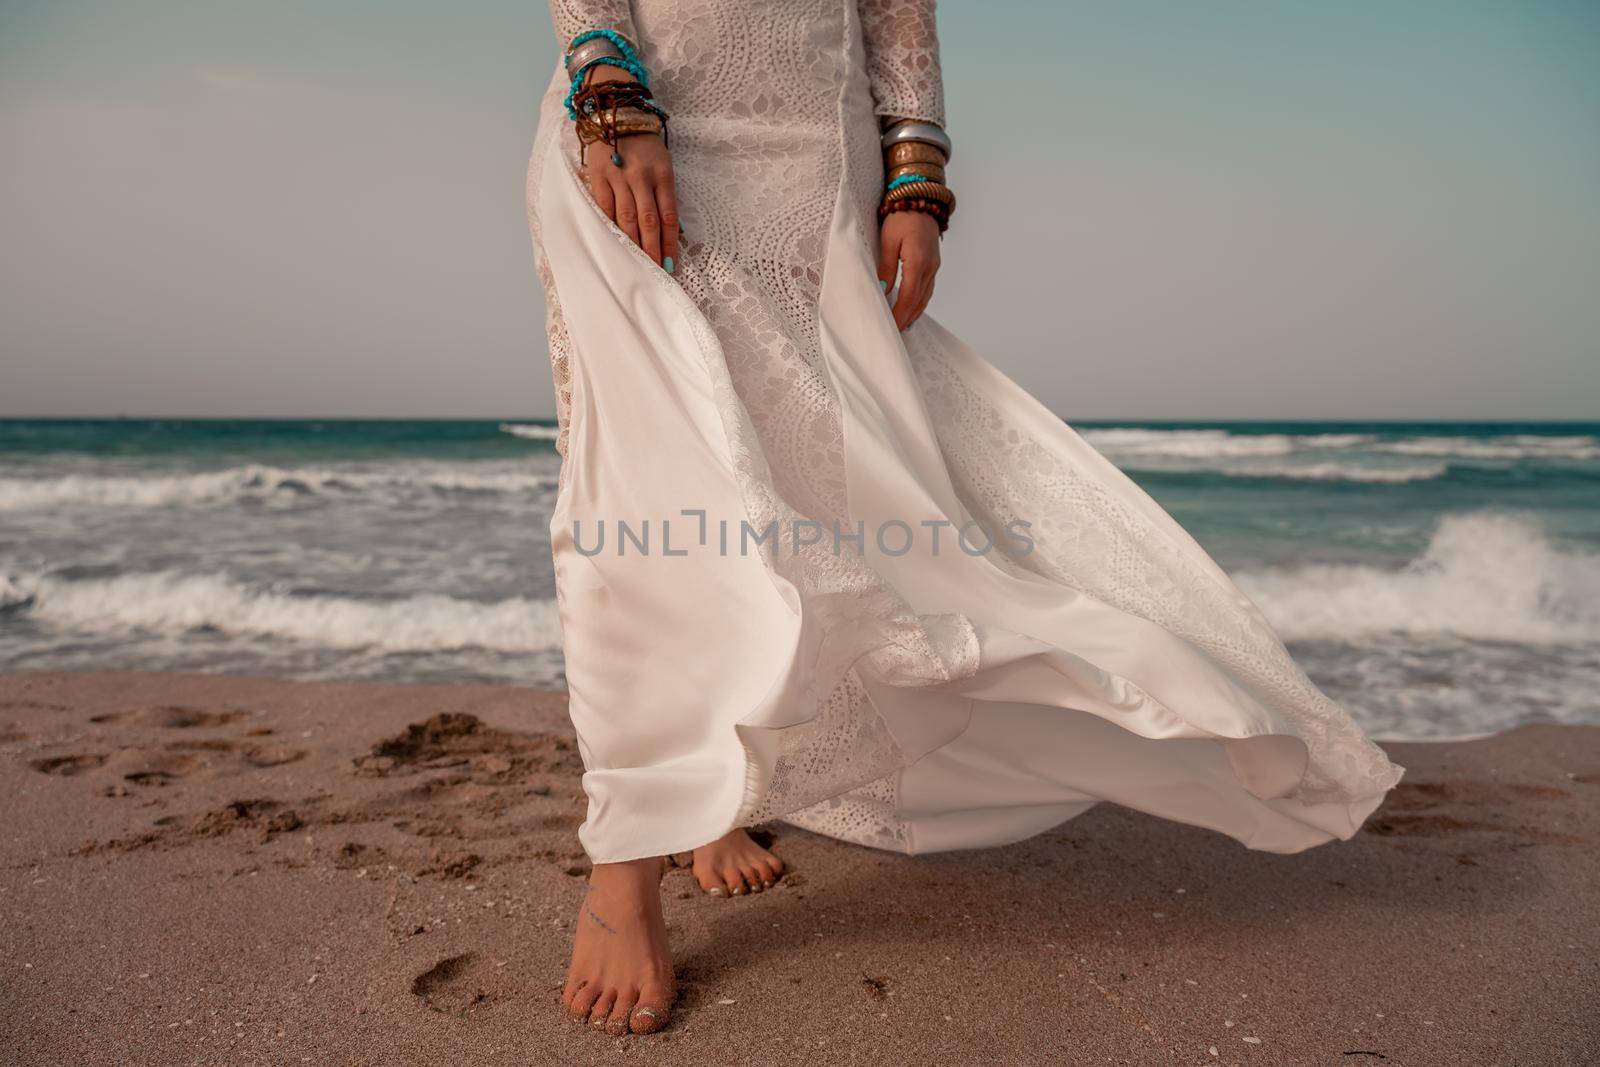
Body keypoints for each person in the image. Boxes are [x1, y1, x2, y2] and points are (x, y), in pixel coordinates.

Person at [525, 0, 1401, 1037]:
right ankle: (625, 866)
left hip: (810, 153)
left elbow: (898, 12)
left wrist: (914, 177)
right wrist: (609, 89)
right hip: (636, 112)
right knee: (650, 490)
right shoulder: (618, 102)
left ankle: (718, 782)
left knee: (809, 485)